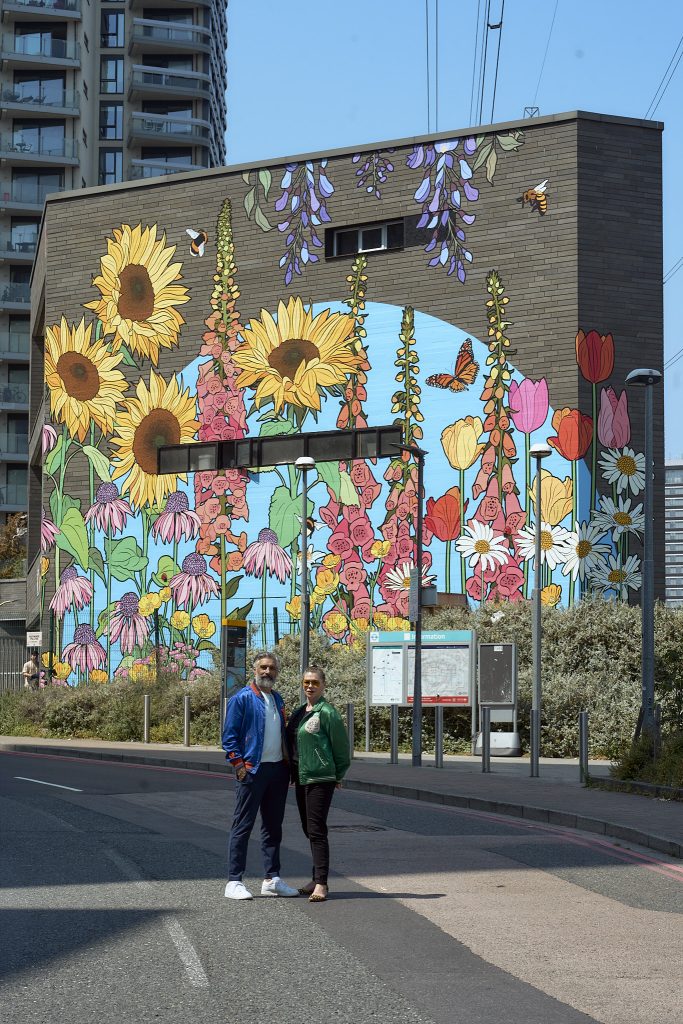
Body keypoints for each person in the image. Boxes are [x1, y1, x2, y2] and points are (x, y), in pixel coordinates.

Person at [222, 651, 298, 901]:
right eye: (263, 667)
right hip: (253, 770)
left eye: (272, 668)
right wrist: (240, 765)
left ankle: (272, 879)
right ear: (255, 670)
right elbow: (229, 737)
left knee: (273, 827)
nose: (267, 672)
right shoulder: (242, 698)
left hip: (277, 770)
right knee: (243, 826)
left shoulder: (277, 698)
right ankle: (234, 881)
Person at [286, 665, 350, 903]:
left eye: (314, 682)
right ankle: (315, 878)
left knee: (316, 829)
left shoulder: (327, 712)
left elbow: (342, 748)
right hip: (302, 777)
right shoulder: (300, 711)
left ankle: (322, 883)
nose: (310, 686)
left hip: (320, 778)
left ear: (323, 685)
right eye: (306, 682)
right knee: (307, 828)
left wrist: (338, 774)